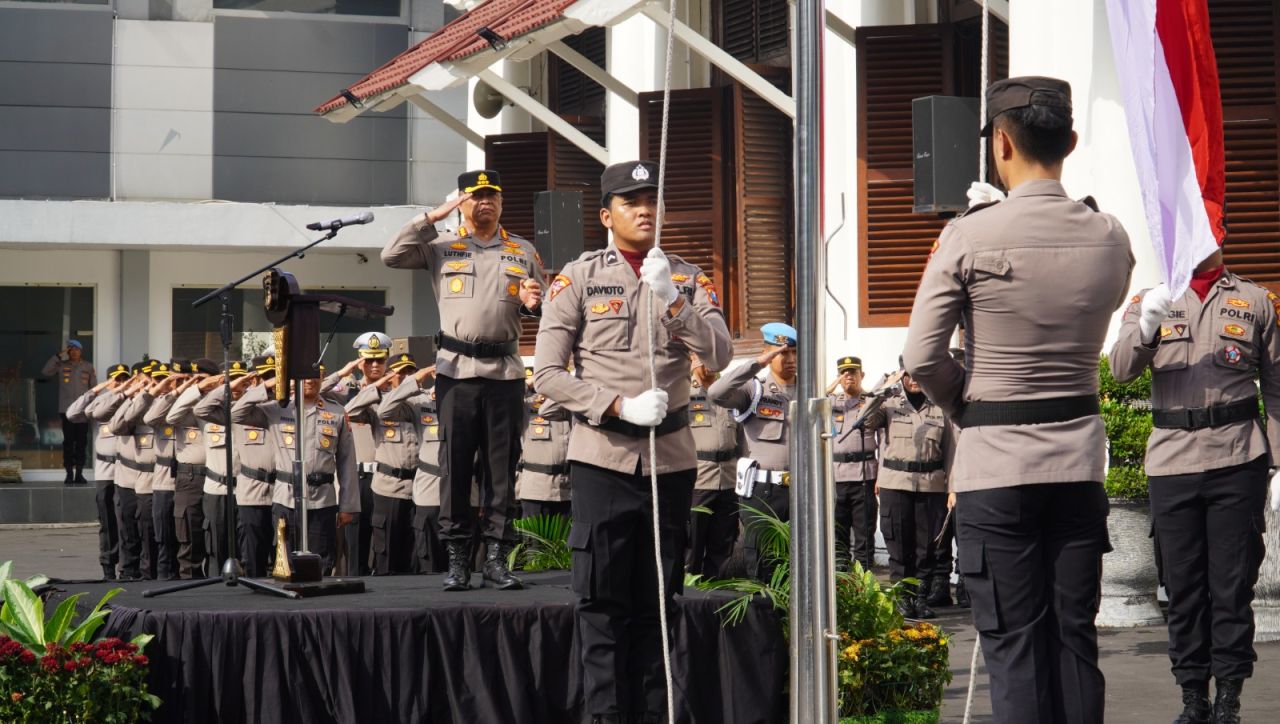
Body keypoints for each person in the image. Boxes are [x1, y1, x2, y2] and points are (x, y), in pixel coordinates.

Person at [903, 76, 1134, 723]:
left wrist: (969, 407)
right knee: (1074, 643)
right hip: (1077, 468)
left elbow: (921, 356)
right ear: (1071, 142)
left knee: (1015, 651)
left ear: (1000, 144)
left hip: (997, 470)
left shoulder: (969, 236)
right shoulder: (1110, 236)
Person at [535, 159, 732, 724]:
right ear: (607, 215)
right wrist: (617, 405)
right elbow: (547, 374)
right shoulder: (578, 278)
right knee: (601, 601)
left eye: (652, 200)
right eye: (631, 202)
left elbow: (719, 355)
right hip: (603, 457)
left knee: (658, 602)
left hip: (671, 462)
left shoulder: (687, 277)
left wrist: (674, 300)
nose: (645, 210)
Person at [1109, 248, 1280, 724]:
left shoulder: (1256, 300)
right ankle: (1192, 697)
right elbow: (1120, 369)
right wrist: (1147, 326)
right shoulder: (1151, 298)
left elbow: (1277, 386)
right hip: (1172, 463)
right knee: (1182, 588)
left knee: (1232, 586)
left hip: (1237, 458)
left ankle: (1228, 698)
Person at [382, 169, 546, 592]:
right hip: (456, 371)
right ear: (462, 202)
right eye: (476, 196)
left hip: (506, 373)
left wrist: (533, 303)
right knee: (454, 466)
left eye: (492, 195)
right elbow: (391, 256)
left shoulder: (522, 250)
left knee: (501, 468)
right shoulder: (441, 246)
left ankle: (495, 558)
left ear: (501, 202)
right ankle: (458, 559)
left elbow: (541, 304)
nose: (485, 202)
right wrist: (432, 217)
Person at [232, 367, 359, 574]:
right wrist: (271, 384)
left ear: (322, 378)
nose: (310, 380)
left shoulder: (336, 412)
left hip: (322, 500)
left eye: (316, 376)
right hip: (286, 499)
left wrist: (348, 505)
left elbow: (347, 461)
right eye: (305, 375)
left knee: (321, 563)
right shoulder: (278, 409)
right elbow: (236, 413)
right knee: (286, 562)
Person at [708, 323, 796, 581]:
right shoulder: (754, 389)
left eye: (794, 352)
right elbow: (716, 392)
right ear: (768, 352)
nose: (790, 359)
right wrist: (756, 364)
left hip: (801, 489)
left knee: (798, 560)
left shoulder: (810, 390)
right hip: (764, 492)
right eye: (783, 352)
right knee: (762, 562)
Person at [876, 363, 952, 620]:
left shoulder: (940, 407)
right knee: (898, 543)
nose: (914, 379)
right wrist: (883, 387)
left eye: (919, 373)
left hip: (931, 484)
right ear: (902, 376)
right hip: (896, 483)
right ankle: (902, 597)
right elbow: (865, 419)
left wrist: (952, 488)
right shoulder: (888, 405)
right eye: (908, 374)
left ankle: (920, 597)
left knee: (927, 545)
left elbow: (951, 451)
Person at [197, 355, 278, 577]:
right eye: (264, 377)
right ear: (254, 381)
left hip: (280, 492)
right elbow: (201, 410)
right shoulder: (239, 411)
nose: (269, 381)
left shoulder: (282, 407)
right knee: (250, 557)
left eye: (273, 376)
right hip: (249, 492)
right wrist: (228, 386)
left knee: (282, 557)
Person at [346, 353, 422, 575]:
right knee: (386, 552)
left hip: (418, 487)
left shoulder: (423, 403)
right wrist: (377, 387)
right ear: (390, 376)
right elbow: (349, 412)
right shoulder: (377, 404)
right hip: (388, 487)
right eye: (400, 373)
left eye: (410, 373)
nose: (406, 378)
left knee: (414, 554)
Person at [323, 331, 390, 575]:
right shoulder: (346, 390)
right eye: (368, 360)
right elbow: (316, 392)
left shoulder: (394, 392)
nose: (374, 365)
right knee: (353, 544)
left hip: (384, 477)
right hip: (356, 476)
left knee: (383, 542)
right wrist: (342, 373)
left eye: (379, 360)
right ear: (359, 362)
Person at [377, 364, 447, 574]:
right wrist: (413, 380)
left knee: (461, 559)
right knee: (430, 560)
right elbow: (384, 411)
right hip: (430, 490)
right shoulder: (421, 401)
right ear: (433, 372)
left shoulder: (468, 400)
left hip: (462, 491)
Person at [88, 360, 153, 579]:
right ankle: (119, 569)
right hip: (116, 473)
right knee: (118, 525)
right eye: (119, 380)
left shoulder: (153, 400)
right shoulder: (115, 399)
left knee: (144, 527)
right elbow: (81, 412)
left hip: (145, 474)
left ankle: (144, 570)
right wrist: (122, 392)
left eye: (126, 378)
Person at [66, 363, 131, 579]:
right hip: (105, 472)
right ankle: (108, 567)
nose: (120, 383)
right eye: (116, 380)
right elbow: (72, 414)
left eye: (124, 379)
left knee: (126, 521)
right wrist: (96, 390)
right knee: (107, 523)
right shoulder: (100, 403)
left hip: (127, 471)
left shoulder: (132, 400)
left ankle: (128, 568)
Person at [160, 359, 219, 578]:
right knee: (189, 533)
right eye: (193, 378)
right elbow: (171, 416)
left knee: (215, 533)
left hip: (216, 477)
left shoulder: (221, 403)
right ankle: (189, 580)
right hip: (190, 477)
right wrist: (194, 389)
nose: (197, 382)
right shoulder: (187, 403)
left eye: (202, 379)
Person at [826, 356, 885, 572]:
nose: (848, 376)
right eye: (844, 373)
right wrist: (833, 384)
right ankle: (841, 579)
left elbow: (884, 441)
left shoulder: (872, 402)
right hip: (836, 478)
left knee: (864, 535)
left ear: (862, 375)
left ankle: (863, 580)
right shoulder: (831, 402)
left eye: (852, 372)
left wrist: (881, 476)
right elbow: (810, 403)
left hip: (864, 477)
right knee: (837, 533)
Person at [685, 355, 739, 579]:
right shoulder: (683, 392)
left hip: (728, 480)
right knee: (691, 546)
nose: (709, 362)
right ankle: (687, 592)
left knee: (723, 545)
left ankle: (716, 591)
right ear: (692, 358)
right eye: (703, 355)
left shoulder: (731, 394)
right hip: (698, 482)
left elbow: (742, 438)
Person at [144, 361, 185, 580]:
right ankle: (163, 579)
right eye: (170, 380)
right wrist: (171, 392)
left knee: (186, 537)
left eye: (181, 380)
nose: (174, 384)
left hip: (188, 480)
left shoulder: (194, 403)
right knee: (164, 538)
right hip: (164, 481)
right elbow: (150, 418)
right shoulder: (161, 402)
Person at [516, 367, 573, 520]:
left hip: (567, 491)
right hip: (535, 492)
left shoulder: (571, 404)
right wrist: (531, 381)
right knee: (533, 536)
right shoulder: (526, 404)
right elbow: (506, 396)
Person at [43, 340, 96, 484]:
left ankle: (79, 473)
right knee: (68, 442)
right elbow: (46, 371)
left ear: (81, 351)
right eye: (71, 349)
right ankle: (69, 473)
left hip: (82, 411)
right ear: (68, 351)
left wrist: (91, 407)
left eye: (76, 349)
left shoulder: (88, 366)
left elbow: (94, 389)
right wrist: (59, 356)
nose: (74, 352)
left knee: (81, 443)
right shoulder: (61, 365)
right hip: (66, 410)